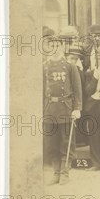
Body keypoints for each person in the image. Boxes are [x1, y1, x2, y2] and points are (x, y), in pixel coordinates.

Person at [43, 29, 82, 185]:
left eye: (57, 45)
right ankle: (56, 172)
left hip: (66, 107)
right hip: (49, 108)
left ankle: (65, 172)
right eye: (51, 46)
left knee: (66, 141)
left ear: (61, 47)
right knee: (52, 142)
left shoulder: (69, 66)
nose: (54, 49)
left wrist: (77, 108)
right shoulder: (44, 66)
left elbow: (77, 89)